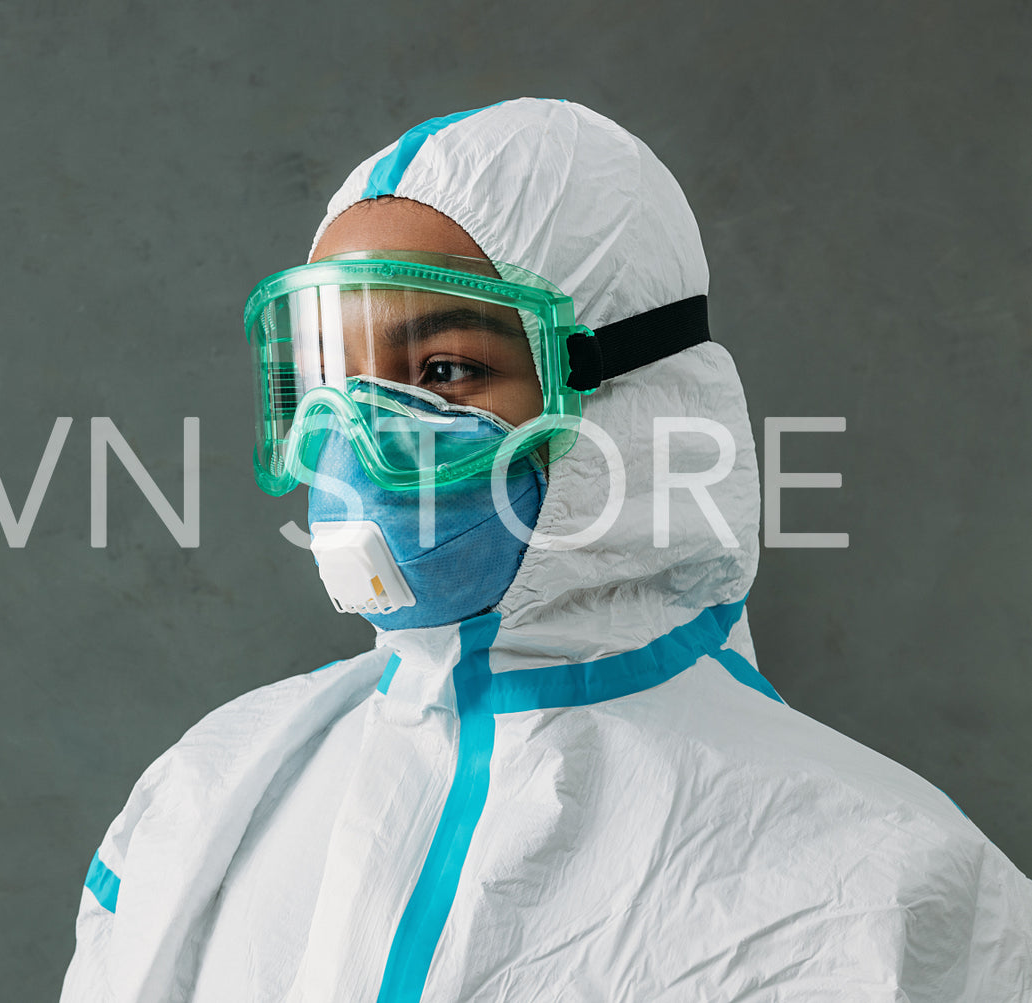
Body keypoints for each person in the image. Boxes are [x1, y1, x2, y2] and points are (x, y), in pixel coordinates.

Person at [60, 99, 1032, 1002]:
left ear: (630, 397)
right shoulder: (206, 797)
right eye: (332, 377)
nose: (360, 435)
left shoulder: (877, 887)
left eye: (443, 371)